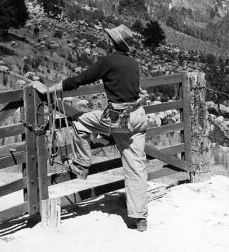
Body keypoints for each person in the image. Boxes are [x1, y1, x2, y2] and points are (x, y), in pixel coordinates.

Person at [33, 24, 148, 232]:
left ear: (111, 43)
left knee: (80, 122)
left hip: (119, 118)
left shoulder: (108, 61)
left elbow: (80, 80)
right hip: (138, 116)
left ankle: (81, 165)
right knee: (136, 166)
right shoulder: (133, 63)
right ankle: (140, 217)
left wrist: (49, 89)